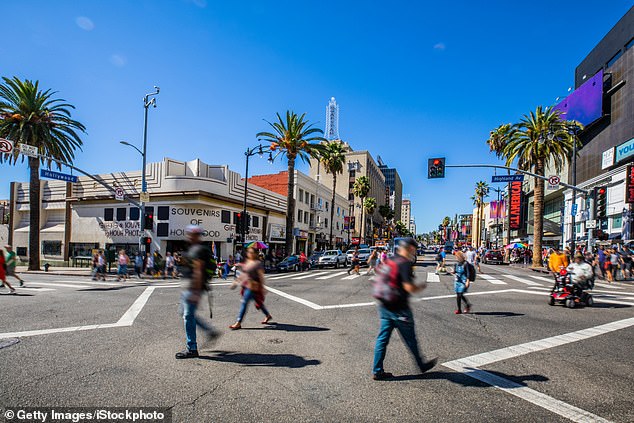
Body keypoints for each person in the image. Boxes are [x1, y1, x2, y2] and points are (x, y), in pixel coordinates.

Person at [372, 238, 437, 380]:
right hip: (399, 307)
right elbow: (408, 287)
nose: (414, 252)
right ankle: (421, 365)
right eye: (414, 249)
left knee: (382, 338)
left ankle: (377, 370)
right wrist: (420, 287)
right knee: (410, 339)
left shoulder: (390, 259)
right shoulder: (405, 263)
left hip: (384, 304)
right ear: (409, 248)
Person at [175, 225, 219, 359]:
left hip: (193, 288)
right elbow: (192, 266)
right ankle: (209, 331)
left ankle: (192, 348)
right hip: (190, 287)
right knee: (184, 312)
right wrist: (183, 262)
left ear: (196, 235)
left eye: (190, 233)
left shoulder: (199, 250)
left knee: (188, 316)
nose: (188, 236)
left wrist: (195, 291)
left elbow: (198, 271)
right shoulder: (195, 249)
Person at [229, 247, 272, 330]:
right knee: (259, 302)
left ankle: (238, 322)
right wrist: (236, 282)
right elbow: (243, 274)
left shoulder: (257, 263)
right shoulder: (248, 262)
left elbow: (261, 276)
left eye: (252, 252)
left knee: (244, 303)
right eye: (249, 252)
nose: (250, 254)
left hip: (253, 286)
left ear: (255, 254)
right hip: (247, 285)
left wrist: (263, 287)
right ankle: (268, 315)